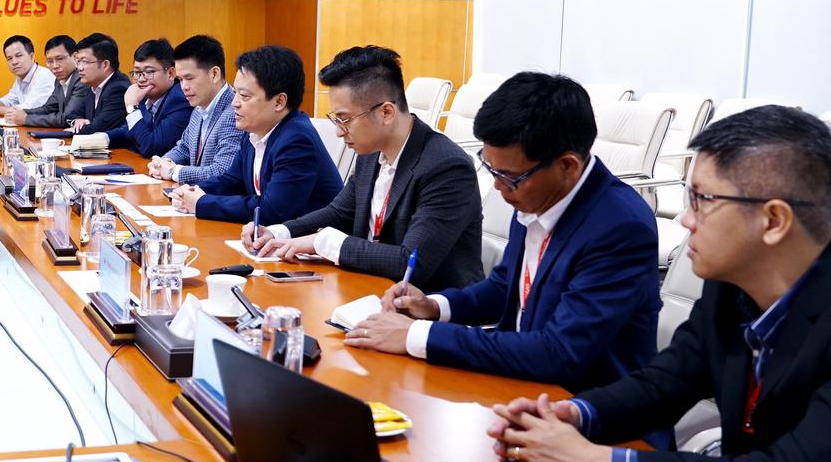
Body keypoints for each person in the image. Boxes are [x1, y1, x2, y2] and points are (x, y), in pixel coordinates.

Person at [487, 106, 831, 462]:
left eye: (702, 200)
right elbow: (664, 383)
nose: (686, 219)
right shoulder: (731, 286)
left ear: (773, 221)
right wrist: (575, 415)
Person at [346, 72, 661, 393]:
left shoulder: (620, 227)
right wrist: (433, 307)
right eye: (491, 169)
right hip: (518, 382)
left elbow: (559, 353)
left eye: (508, 176)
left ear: (567, 167)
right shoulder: (535, 192)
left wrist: (415, 335)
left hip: (583, 404)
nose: (498, 186)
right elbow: (505, 287)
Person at [245, 46, 483, 292]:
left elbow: (410, 262)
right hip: (366, 286)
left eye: (344, 119)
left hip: (425, 303)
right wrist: (278, 232)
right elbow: (339, 213)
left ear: (386, 112)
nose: (338, 132)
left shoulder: (446, 167)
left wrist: (325, 242)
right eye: (336, 119)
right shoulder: (370, 152)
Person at [171, 45, 340, 224]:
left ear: (279, 102)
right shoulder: (254, 131)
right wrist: (189, 191)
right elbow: (232, 181)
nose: (234, 103)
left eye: (244, 96)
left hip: (310, 237)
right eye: (235, 93)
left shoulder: (297, 140)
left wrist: (202, 203)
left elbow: (273, 210)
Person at [148, 34, 242, 185]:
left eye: (189, 78)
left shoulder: (235, 112)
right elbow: (184, 148)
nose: (184, 87)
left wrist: (174, 171)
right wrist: (162, 163)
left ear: (214, 74)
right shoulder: (198, 107)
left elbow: (222, 171)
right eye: (180, 80)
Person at [101, 38, 191, 158]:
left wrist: (132, 107)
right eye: (137, 72)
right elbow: (128, 131)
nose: (141, 79)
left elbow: (151, 148)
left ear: (170, 74)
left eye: (149, 72)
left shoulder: (181, 100)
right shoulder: (145, 96)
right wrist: (97, 139)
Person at [8, 35, 89, 128]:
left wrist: (26, 119)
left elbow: (67, 118)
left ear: (75, 57)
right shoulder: (59, 80)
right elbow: (49, 108)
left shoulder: (82, 79)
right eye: (50, 61)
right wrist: (24, 112)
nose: (55, 66)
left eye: (60, 59)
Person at [68, 33, 131, 133]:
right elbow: (73, 113)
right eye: (78, 62)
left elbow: (97, 129)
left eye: (85, 62)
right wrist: (78, 120)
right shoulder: (93, 85)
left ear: (105, 65)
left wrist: (78, 129)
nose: (79, 68)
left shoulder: (119, 89)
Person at [0, 34, 55, 111]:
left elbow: (29, 109)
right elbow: (11, 98)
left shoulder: (43, 76)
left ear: (32, 57)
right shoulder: (21, 76)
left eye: (19, 56)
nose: (14, 62)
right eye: (9, 58)